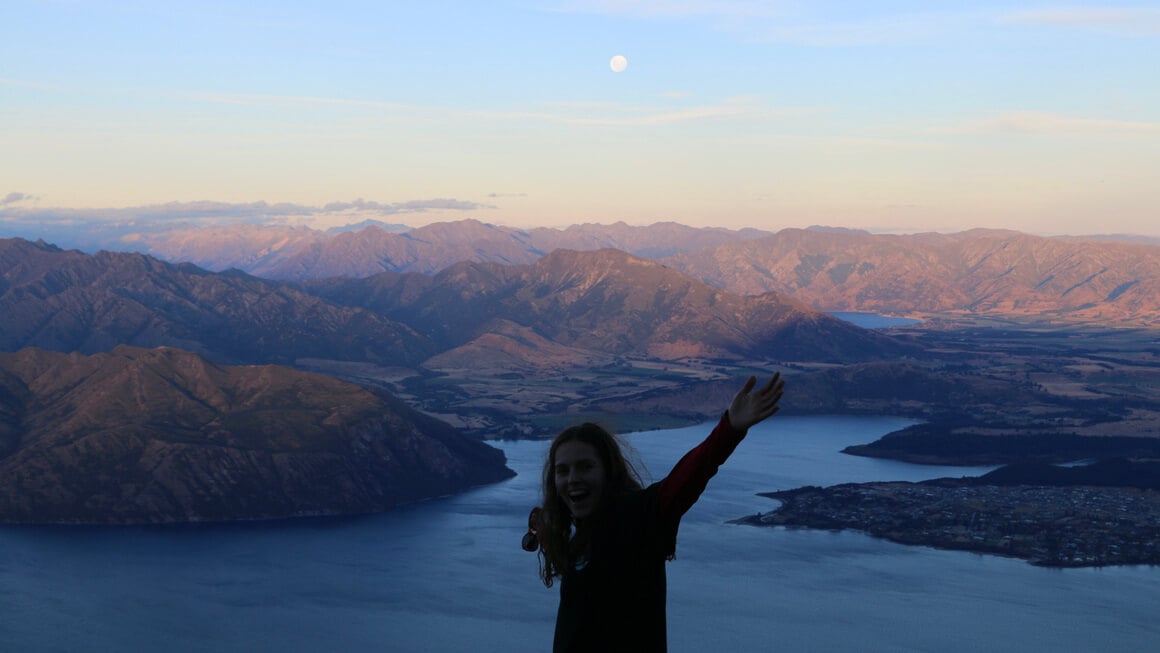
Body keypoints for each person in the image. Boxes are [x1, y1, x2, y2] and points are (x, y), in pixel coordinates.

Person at [524, 373, 785, 652]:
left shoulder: (639, 518)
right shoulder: (579, 538)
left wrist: (729, 429)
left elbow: (686, 480)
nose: (572, 478)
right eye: (562, 470)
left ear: (609, 472)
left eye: (586, 466)